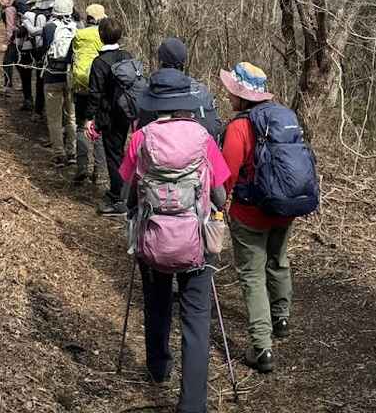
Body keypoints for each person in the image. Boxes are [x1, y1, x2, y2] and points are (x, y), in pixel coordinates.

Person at [119, 75, 230, 413]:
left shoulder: (140, 138)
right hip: (196, 241)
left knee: (156, 303)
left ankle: (158, 367)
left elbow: (127, 191)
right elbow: (221, 194)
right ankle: (193, 403)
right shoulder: (203, 137)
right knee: (196, 317)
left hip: (153, 239)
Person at [220, 61, 310, 375]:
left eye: (232, 89)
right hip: (284, 208)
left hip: (249, 214)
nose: (228, 94)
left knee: (252, 275)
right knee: (279, 260)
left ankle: (261, 347)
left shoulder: (238, 128)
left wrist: (217, 206)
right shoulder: (282, 117)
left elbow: (226, 175)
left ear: (242, 95)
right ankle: (281, 319)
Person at [87, 17, 133, 214]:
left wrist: (90, 118)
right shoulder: (127, 55)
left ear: (100, 36)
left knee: (114, 156)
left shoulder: (99, 62)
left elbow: (95, 93)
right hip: (127, 112)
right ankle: (123, 190)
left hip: (109, 116)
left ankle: (118, 197)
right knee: (120, 152)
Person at [137, 38, 222, 139]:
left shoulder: (150, 93)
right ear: (184, 63)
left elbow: (141, 131)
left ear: (160, 62)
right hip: (196, 149)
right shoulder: (201, 90)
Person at [70, 3, 109, 186]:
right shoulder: (103, 35)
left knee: (80, 127)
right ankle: (99, 172)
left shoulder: (79, 34)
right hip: (99, 87)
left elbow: (70, 58)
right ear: (101, 18)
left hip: (80, 87)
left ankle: (81, 168)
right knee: (98, 129)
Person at [41, 0, 78, 165]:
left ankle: (59, 154)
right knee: (71, 116)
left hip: (51, 76)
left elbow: (44, 49)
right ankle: (72, 152)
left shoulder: (49, 27)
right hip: (71, 76)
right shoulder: (77, 26)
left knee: (54, 118)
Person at [15, 0, 44, 111]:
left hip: (28, 49)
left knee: (26, 77)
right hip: (42, 50)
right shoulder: (47, 14)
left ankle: (28, 101)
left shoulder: (27, 14)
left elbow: (21, 33)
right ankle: (39, 108)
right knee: (40, 80)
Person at [0, 0, 17, 94]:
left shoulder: (9, 9)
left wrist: (6, 43)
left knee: (6, 62)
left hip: (14, 40)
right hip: (18, 39)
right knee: (16, 62)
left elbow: (10, 28)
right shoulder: (11, 6)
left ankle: (8, 87)